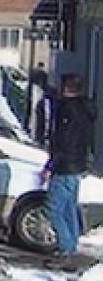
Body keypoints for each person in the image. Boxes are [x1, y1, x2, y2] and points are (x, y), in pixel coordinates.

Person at [44, 73, 96, 261]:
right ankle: (71, 244)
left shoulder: (67, 110)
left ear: (66, 88)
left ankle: (65, 247)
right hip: (78, 164)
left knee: (53, 209)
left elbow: (63, 141)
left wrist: (51, 165)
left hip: (65, 165)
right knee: (69, 208)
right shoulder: (85, 109)